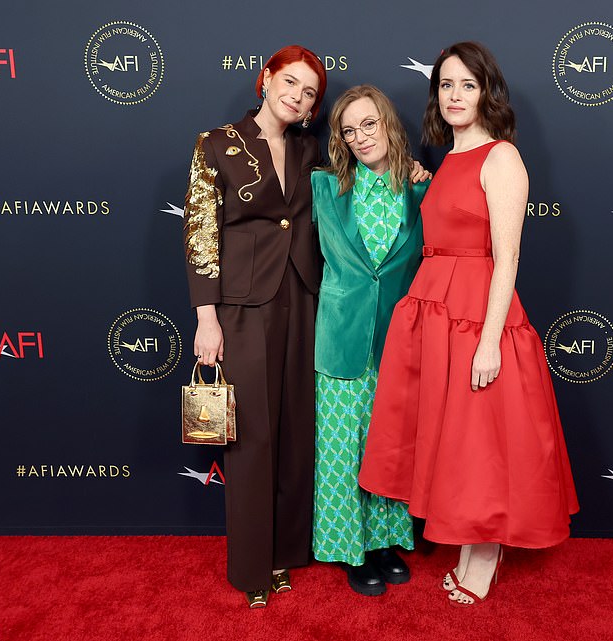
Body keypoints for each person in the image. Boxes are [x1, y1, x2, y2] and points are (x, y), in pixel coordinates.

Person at [358, 42, 580, 607]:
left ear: (488, 93)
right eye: (446, 85)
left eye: (468, 85)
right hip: (434, 309)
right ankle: (467, 544)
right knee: (456, 438)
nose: (455, 96)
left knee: (480, 438)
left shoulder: (502, 158)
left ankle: (484, 553)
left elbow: (506, 258)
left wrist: (489, 342)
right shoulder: (446, 160)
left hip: (478, 314)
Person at [182, 45, 326, 609]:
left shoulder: (313, 148)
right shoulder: (215, 143)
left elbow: (365, 172)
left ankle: (287, 553)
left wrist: (411, 171)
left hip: (304, 298)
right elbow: (199, 233)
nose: (296, 95)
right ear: (265, 79)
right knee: (251, 437)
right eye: (289, 82)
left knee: (295, 431)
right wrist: (206, 318)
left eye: (308, 91)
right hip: (241, 307)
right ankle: (252, 567)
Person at [310, 85, 429, 596]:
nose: (360, 137)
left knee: (388, 448)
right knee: (341, 449)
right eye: (349, 130)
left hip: (398, 341)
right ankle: (347, 548)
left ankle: (382, 543)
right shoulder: (324, 187)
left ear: (388, 124)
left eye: (368, 124)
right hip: (340, 337)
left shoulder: (421, 189)